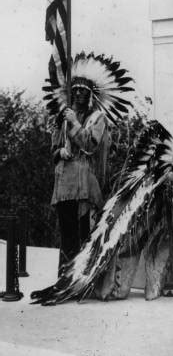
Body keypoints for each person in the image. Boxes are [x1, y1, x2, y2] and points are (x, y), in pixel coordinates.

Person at [44, 52, 134, 276]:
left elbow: (91, 145)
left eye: (83, 91)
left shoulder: (98, 119)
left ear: (91, 95)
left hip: (85, 184)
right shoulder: (64, 117)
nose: (78, 94)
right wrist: (60, 151)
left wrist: (74, 123)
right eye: (74, 91)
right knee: (66, 234)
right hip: (64, 183)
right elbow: (53, 147)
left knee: (84, 233)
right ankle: (64, 279)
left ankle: (81, 279)